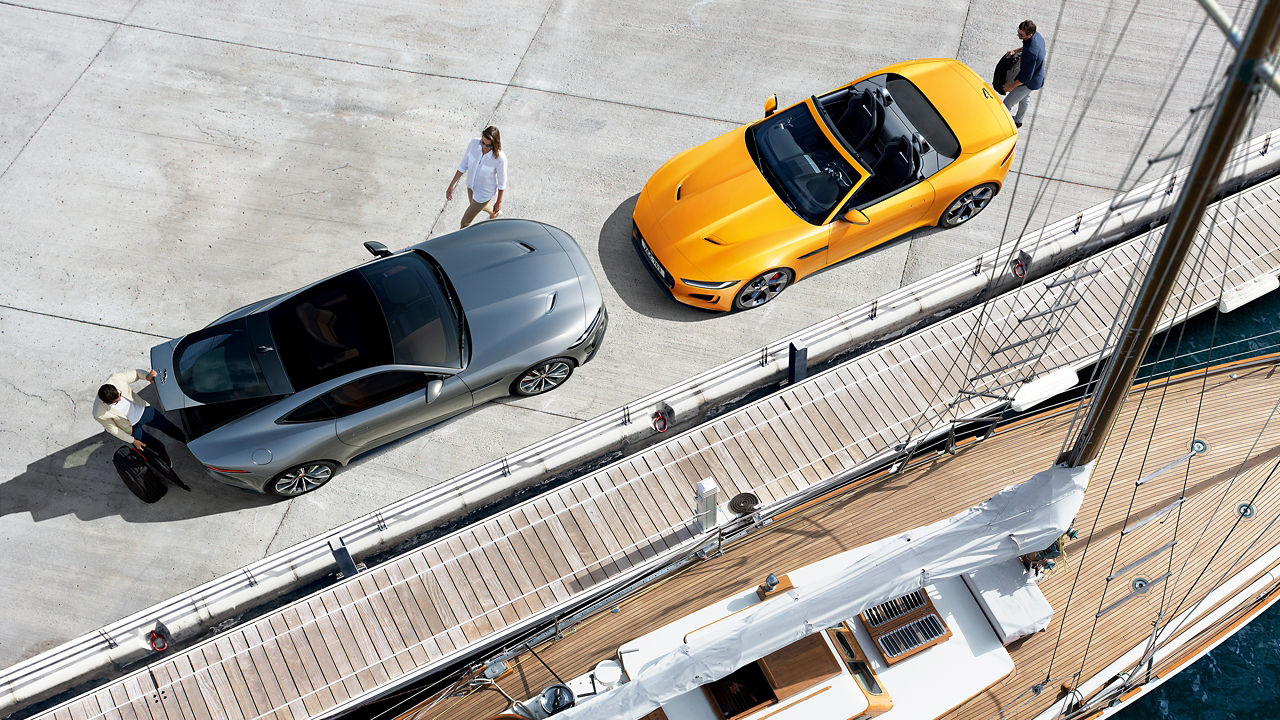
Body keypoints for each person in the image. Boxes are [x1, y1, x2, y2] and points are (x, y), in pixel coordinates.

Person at [93, 369, 186, 451]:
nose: (120, 399)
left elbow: (136, 373)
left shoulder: (117, 379)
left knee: (168, 426)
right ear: (106, 403)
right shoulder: (99, 413)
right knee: (154, 446)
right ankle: (165, 462)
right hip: (131, 427)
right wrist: (132, 440)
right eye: (116, 402)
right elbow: (113, 429)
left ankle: (186, 440)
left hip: (143, 411)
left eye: (120, 394)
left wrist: (146, 376)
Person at [445, 126, 507, 229]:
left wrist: (498, 202)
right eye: (483, 143)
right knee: (475, 205)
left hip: (484, 193)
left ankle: (463, 242)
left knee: (465, 222)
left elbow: (502, 183)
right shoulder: (474, 143)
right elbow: (463, 165)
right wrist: (451, 186)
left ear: (495, 144)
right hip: (471, 186)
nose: (485, 147)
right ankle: (495, 212)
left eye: (489, 146)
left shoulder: (500, 159)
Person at [1003, 20, 1046, 128]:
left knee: (1006, 105)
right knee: (1025, 98)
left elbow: (1026, 78)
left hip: (1029, 82)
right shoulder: (1037, 36)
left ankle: (1002, 127)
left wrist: (1010, 86)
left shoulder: (1032, 52)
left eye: (1021, 34)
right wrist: (1016, 51)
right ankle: (1018, 121)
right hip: (1037, 77)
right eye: (1018, 31)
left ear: (1030, 34)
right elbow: (1027, 47)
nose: (1018, 35)